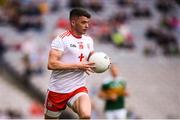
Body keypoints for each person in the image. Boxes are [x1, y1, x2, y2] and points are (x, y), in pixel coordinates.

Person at [44, 8, 95, 119]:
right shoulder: (61, 39)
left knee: (86, 115)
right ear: (73, 22)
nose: (87, 26)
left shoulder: (89, 41)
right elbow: (51, 64)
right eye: (83, 22)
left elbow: (92, 58)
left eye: (88, 23)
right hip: (57, 90)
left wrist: (103, 61)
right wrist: (77, 65)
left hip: (78, 88)